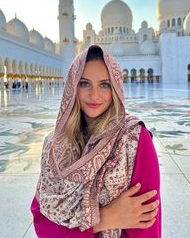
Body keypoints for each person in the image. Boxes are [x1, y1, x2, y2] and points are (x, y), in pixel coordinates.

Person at [31, 45, 161, 237]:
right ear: (72, 86)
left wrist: (78, 228)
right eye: (84, 83)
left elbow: (146, 224)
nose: (94, 95)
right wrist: (105, 219)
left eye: (105, 84)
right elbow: (41, 219)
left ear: (116, 87)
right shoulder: (55, 144)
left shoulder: (135, 139)